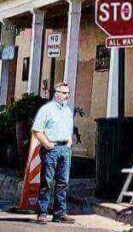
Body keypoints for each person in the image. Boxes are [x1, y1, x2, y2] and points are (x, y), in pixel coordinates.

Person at [32, 82, 74, 225]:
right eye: (63, 93)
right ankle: (42, 212)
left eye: (68, 93)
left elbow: (68, 129)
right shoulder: (47, 109)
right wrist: (48, 144)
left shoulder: (68, 111)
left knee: (63, 182)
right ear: (56, 94)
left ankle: (60, 213)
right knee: (47, 182)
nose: (66, 96)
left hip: (65, 149)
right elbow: (37, 130)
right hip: (51, 149)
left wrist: (69, 142)